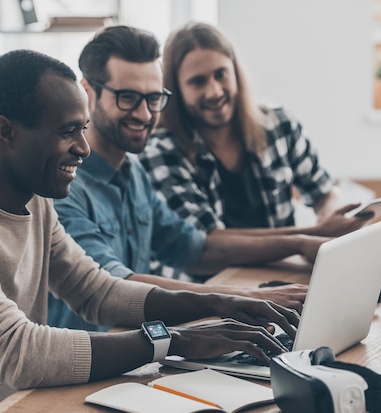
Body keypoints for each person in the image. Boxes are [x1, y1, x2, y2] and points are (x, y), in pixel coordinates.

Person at [0, 49, 303, 413]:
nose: (84, 148)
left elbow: (96, 292)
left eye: (83, 128)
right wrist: (174, 340)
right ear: (5, 131)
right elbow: (18, 353)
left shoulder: (35, 196)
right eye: (68, 131)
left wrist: (222, 302)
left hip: (19, 405)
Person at [48, 25, 327, 331]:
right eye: (127, 98)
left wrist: (300, 242)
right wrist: (244, 297)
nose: (144, 114)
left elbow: (195, 249)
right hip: (87, 370)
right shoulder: (63, 187)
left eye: (153, 98)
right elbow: (113, 287)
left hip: (139, 356)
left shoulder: (134, 172)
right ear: (87, 92)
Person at [138, 22, 370, 239]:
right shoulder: (162, 150)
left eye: (221, 74)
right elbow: (206, 241)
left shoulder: (279, 123)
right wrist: (310, 235)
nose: (215, 92)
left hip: (282, 272)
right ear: (175, 89)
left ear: (235, 72)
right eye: (198, 82)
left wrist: (333, 220)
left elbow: (323, 192)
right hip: (210, 281)